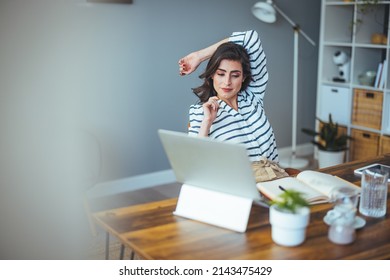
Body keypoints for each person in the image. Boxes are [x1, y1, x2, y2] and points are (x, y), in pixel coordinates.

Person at [178, 30, 280, 165]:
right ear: (212, 75)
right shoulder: (200, 112)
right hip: (242, 183)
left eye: (235, 75)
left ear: (243, 77)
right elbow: (194, 164)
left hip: (276, 178)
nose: (227, 82)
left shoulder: (252, 96)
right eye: (221, 74)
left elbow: (250, 38)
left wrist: (199, 56)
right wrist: (207, 121)